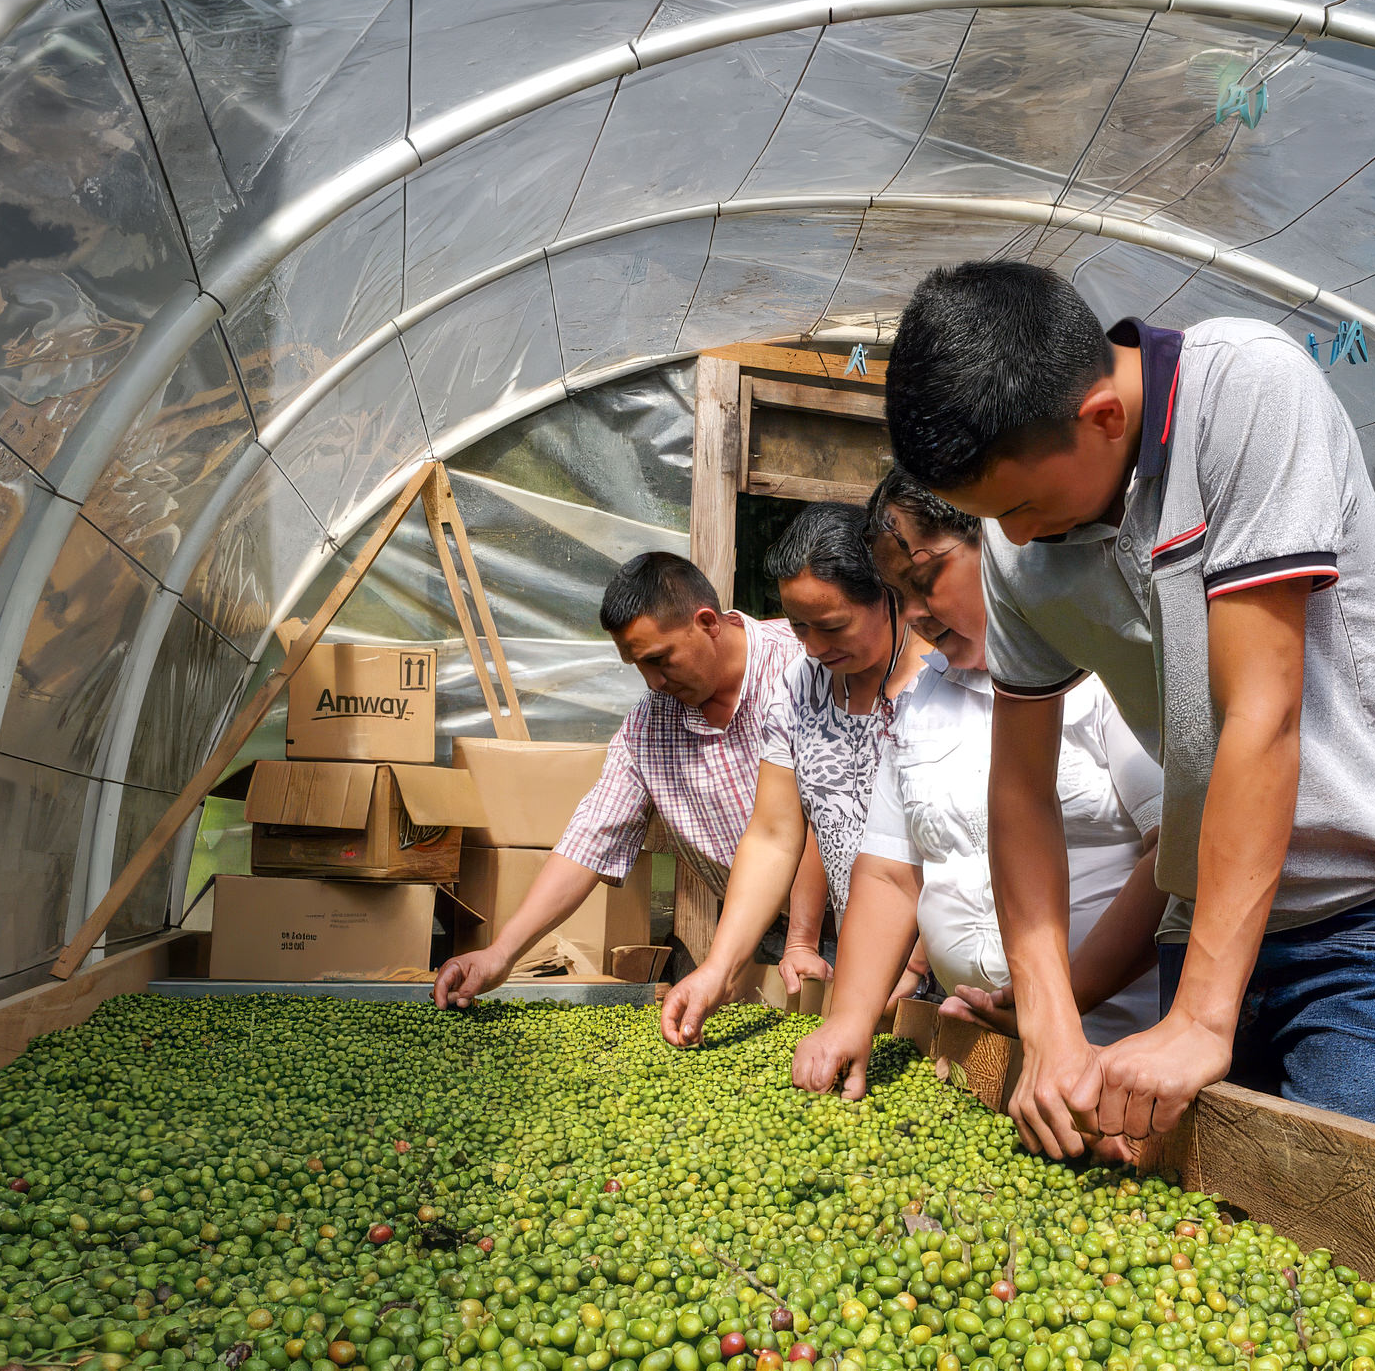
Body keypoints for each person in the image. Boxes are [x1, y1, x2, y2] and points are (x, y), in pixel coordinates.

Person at [884, 259, 1375, 1151]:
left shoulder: (1243, 389)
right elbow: (1018, 790)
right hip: (1198, 922)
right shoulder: (1015, 542)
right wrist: (1051, 1026)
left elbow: (1262, 713)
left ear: (1103, 418)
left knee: (1320, 1222)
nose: (1011, 538)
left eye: (1019, 505)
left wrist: (1204, 1019)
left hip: (1360, 921)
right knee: (1187, 1223)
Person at [791, 470, 1166, 1101]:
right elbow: (890, 874)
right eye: (897, 595)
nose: (914, 614)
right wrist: (850, 1018)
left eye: (925, 580)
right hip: (978, 1054)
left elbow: (1174, 853)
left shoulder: (1103, 669)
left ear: (998, 539)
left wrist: (1055, 1004)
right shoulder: (922, 701)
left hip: (1116, 1054)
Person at [434, 551, 806, 1008]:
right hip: (762, 932)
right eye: (639, 666)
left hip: (855, 918)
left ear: (708, 622)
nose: (653, 682)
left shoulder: (805, 665)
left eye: (660, 659)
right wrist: (502, 952)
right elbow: (591, 838)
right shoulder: (649, 727)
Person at [660, 503, 932, 1047]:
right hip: (862, 976)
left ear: (888, 595)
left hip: (951, 972)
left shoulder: (942, 685)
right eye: (800, 626)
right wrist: (720, 966)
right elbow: (776, 834)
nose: (813, 646)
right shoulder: (800, 686)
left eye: (832, 626)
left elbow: (968, 848)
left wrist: (917, 964)